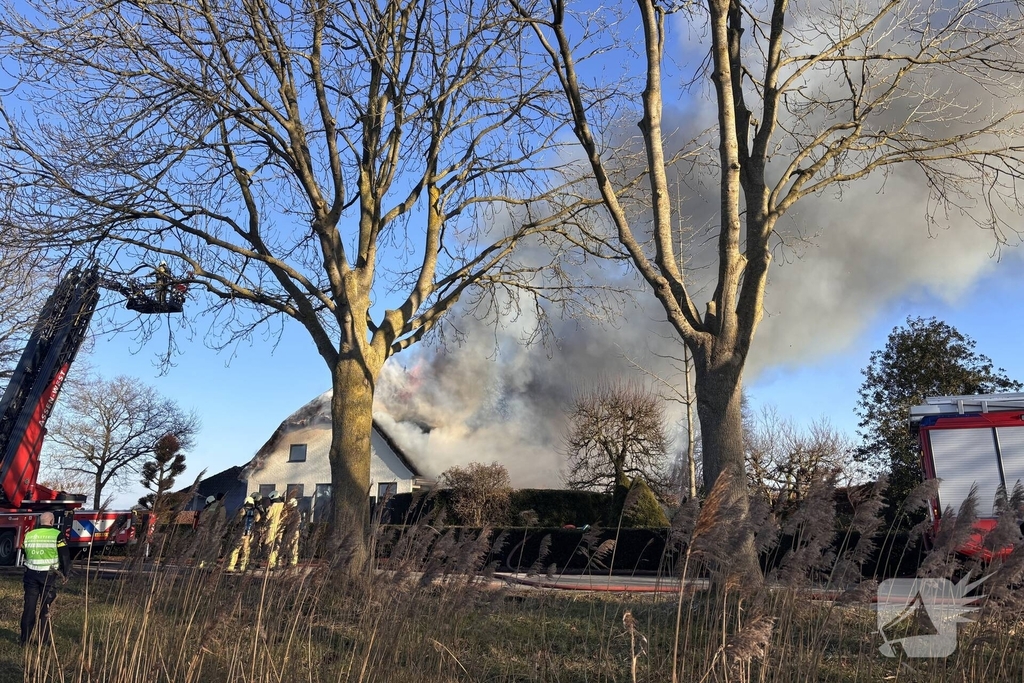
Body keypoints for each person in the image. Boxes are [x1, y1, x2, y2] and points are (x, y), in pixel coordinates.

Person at [20, 511, 71, 647]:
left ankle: (24, 640)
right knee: (45, 608)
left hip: (30, 574)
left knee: (29, 607)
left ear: (40, 521)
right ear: (52, 521)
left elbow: (24, 551)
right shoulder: (56, 534)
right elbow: (65, 555)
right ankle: (43, 641)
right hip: (48, 576)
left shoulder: (29, 534)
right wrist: (65, 573)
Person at [226, 494, 261, 572]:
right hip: (249, 534)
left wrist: (236, 526)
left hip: (240, 533)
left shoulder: (242, 509)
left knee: (236, 549)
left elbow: (237, 520)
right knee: (246, 550)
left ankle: (231, 566)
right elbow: (258, 519)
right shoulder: (255, 511)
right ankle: (243, 567)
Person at [262, 491, 286, 569]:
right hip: (281, 528)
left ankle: (271, 564)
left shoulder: (273, 506)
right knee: (277, 545)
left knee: (270, 545)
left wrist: (263, 525)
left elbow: (268, 517)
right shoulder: (284, 505)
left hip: (272, 527)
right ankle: (277, 563)